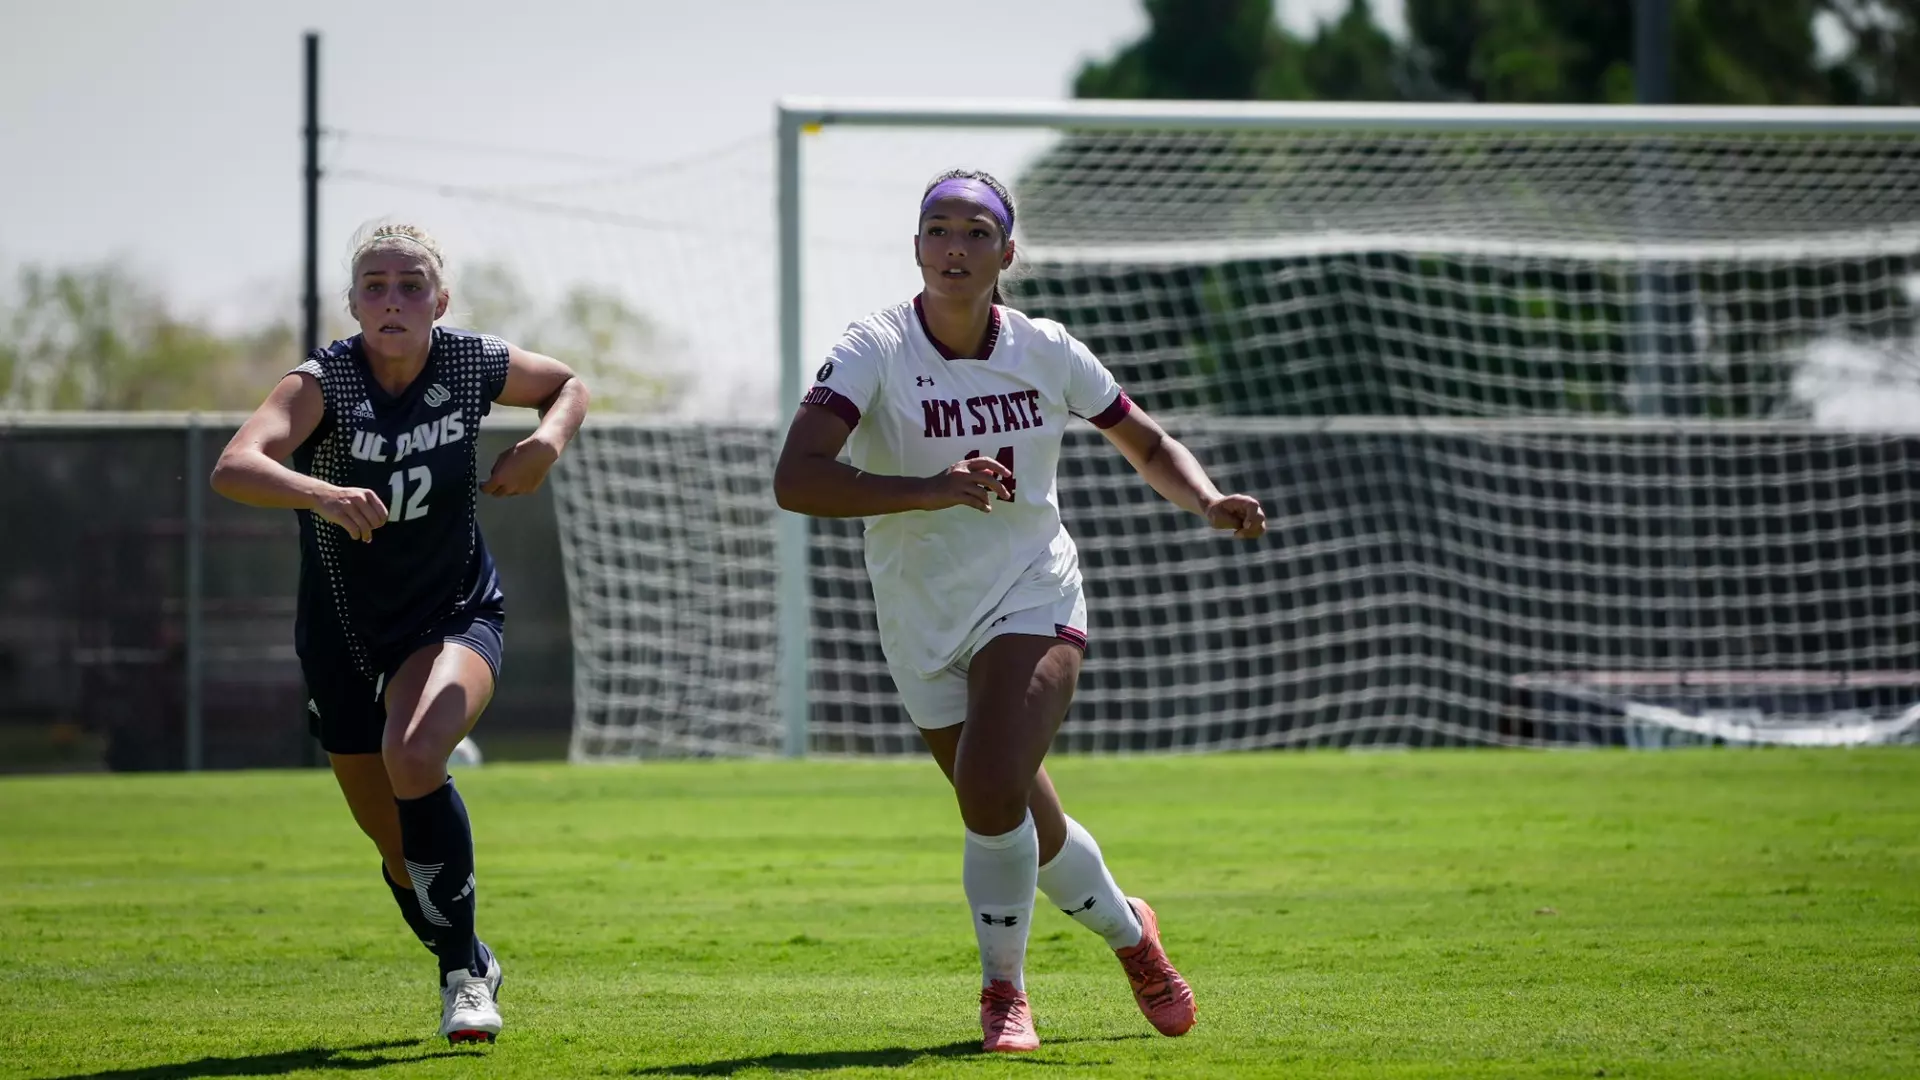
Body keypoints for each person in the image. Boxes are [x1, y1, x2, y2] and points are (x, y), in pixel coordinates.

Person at [773, 170, 1267, 1053]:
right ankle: (1132, 935)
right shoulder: (873, 347)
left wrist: (1206, 500)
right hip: (918, 613)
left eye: (974, 231)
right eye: (936, 229)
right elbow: (797, 478)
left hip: (1031, 589)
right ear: (917, 247)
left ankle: (1004, 992)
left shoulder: (1046, 347)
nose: (953, 246)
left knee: (989, 785)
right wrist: (933, 488)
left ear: (1008, 252)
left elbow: (1144, 440)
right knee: (1015, 816)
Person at [210, 221, 588, 1044]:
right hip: (343, 633)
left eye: (410, 284)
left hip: (452, 611)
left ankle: (461, 984)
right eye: (374, 287)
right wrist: (321, 492)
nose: (392, 300)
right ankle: (468, 953)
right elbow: (235, 465)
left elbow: (567, 385)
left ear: (439, 300)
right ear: (352, 304)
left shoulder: (469, 361)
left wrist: (545, 444)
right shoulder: (323, 383)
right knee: (397, 850)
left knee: (415, 754)